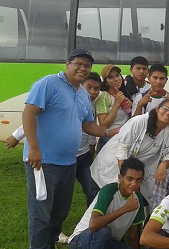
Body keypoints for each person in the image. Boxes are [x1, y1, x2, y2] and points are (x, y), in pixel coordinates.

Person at [22, 48, 107, 249]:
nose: (82, 68)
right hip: (43, 162)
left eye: (87, 66)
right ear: (67, 63)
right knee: (41, 212)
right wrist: (34, 148)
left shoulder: (81, 93)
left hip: (69, 161)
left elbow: (88, 124)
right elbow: (29, 113)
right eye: (78, 63)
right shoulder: (48, 84)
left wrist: (110, 131)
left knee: (59, 211)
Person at [7, 72, 103, 209]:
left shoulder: (88, 100)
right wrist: (17, 137)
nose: (93, 92)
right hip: (52, 159)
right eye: (89, 87)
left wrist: (95, 143)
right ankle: (48, 229)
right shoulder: (60, 91)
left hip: (79, 157)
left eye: (97, 88)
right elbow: (35, 118)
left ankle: (88, 223)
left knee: (85, 193)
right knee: (45, 203)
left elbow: (89, 125)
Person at [68, 158, 150, 249]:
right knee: (104, 231)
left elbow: (133, 235)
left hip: (109, 243)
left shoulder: (138, 199)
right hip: (81, 241)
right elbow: (93, 225)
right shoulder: (109, 191)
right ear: (120, 178)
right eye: (129, 179)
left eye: (138, 180)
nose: (133, 184)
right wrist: (125, 209)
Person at [90, 99, 169, 210]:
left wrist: (163, 165)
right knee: (105, 198)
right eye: (165, 109)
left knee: (126, 200)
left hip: (135, 170)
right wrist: (123, 175)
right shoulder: (139, 121)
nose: (168, 113)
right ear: (157, 109)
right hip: (115, 163)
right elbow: (122, 148)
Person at [95, 64, 133, 151]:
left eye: (117, 75)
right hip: (108, 140)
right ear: (105, 82)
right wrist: (117, 103)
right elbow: (104, 125)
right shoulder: (103, 96)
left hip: (124, 138)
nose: (116, 79)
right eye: (111, 77)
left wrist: (131, 105)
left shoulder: (123, 93)